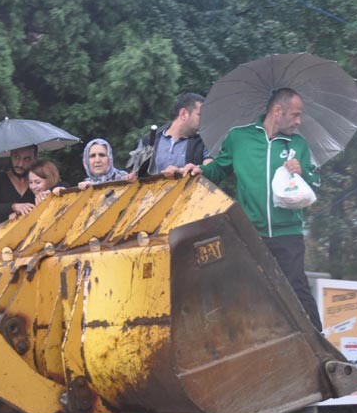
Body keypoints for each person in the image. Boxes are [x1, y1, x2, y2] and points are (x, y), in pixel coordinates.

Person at [187, 88, 322, 331]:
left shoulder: (298, 144)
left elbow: (314, 185)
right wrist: (200, 171)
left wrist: (303, 172)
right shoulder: (239, 138)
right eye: (295, 115)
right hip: (249, 233)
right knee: (248, 289)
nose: (298, 121)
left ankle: (319, 342)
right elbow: (219, 169)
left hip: (287, 234)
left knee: (295, 286)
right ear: (277, 111)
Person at [129, 92, 212, 176]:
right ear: (183, 114)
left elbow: (209, 170)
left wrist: (180, 172)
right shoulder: (149, 140)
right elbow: (135, 174)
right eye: (200, 115)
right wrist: (132, 176)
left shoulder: (204, 143)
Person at [54, 139, 137, 194]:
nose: (97, 160)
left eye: (102, 155)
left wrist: (95, 187)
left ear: (109, 158)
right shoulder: (84, 185)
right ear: (86, 161)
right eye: (92, 156)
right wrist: (62, 193)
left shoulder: (124, 178)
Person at [0, 145, 37, 225]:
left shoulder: (38, 180)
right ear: (11, 155)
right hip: (4, 234)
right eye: (17, 157)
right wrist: (13, 207)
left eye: (27, 159)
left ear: (34, 159)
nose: (20, 164)